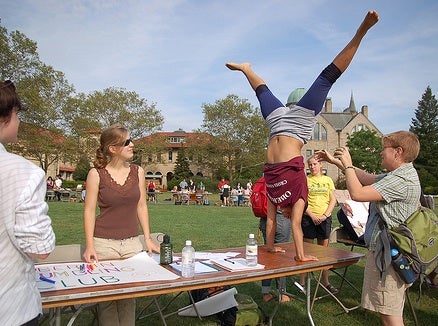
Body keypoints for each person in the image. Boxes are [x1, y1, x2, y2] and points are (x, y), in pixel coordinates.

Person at [226, 10, 379, 260]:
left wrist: (271, 247)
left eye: (286, 214)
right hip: (297, 124)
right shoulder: (298, 198)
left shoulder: (276, 197)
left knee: (262, 92)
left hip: (278, 125)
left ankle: (247, 69)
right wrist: (301, 256)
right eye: (290, 214)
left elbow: (271, 225)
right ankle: (362, 30)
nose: (288, 216)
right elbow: (295, 227)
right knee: (328, 77)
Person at [317, 130, 421, 325]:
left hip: (389, 257)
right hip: (387, 253)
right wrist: (335, 162)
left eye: (384, 149)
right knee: (386, 310)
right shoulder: (398, 174)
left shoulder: (402, 180)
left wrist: (347, 163)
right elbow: (365, 177)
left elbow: (357, 192)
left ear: (398, 152)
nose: (381, 153)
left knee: (391, 314)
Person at [83, 123, 160, 325]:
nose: (132, 144)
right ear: (112, 148)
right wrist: (90, 245)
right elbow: (89, 211)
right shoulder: (96, 174)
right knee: (107, 301)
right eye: (127, 142)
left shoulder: (138, 172)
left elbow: (142, 206)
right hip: (103, 245)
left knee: (128, 299)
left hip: (132, 245)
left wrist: (148, 239)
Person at [0, 80, 56, 325]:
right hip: (10, 306)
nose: (19, 121)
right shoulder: (23, 172)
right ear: (6, 116)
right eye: (17, 114)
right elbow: (40, 247)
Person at [299, 155, 337, 292]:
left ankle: (325, 282)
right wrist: (313, 215)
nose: (312, 167)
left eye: (314, 164)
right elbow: (302, 201)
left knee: (324, 253)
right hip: (308, 218)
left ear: (321, 165)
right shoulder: (305, 180)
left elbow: (333, 199)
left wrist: (325, 215)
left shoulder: (328, 180)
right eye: (310, 164)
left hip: (324, 219)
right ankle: (302, 283)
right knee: (306, 251)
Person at [260, 211, 292, 302]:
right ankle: (282, 294)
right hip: (281, 216)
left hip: (265, 218)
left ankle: (266, 293)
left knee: (267, 257)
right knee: (281, 258)